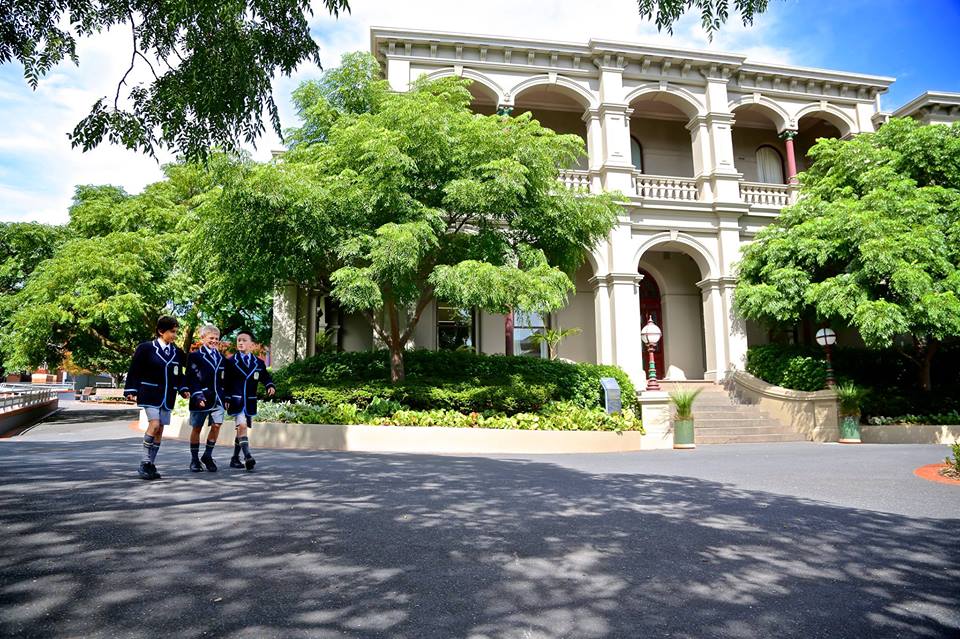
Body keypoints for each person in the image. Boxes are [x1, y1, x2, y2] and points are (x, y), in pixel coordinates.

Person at [125, 316, 190, 480]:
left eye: (176, 332)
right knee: (154, 424)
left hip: (167, 396)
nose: (175, 335)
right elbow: (135, 370)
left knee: (160, 429)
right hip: (150, 393)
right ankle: (144, 462)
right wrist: (131, 390)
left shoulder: (176, 352)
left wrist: (183, 389)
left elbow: (180, 374)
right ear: (161, 331)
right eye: (172, 332)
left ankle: (151, 465)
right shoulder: (145, 348)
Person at [223, 330, 275, 471]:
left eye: (244, 340)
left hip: (250, 401)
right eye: (238, 340)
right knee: (242, 426)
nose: (240, 342)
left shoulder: (258, 362)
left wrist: (269, 385)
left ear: (252, 345)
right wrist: (226, 397)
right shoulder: (231, 361)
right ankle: (247, 456)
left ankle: (235, 458)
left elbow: (265, 376)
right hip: (236, 400)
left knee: (241, 429)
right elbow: (226, 381)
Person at [185, 324, 227, 472]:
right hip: (201, 398)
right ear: (202, 338)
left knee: (217, 425)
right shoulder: (194, 356)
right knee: (197, 428)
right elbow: (191, 378)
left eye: (217, 338)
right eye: (211, 338)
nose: (214, 341)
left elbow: (225, 380)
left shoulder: (222, 358)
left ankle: (207, 455)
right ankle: (194, 459)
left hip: (218, 399)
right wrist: (197, 396)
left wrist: (226, 398)